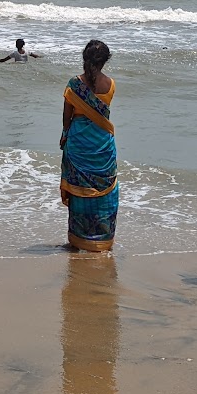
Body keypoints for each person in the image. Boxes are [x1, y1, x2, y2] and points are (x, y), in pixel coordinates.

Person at [60, 40, 117, 252]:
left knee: (79, 191)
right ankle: (102, 239)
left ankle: (78, 239)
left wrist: (65, 135)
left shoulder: (74, 84)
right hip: (102, 144)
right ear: (105, 61)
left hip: (78, 143)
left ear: (85, 58)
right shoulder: (111, 85)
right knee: (104, 193)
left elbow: (67, 116)